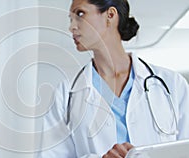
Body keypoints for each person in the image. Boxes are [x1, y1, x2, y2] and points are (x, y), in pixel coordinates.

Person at [39, 0, 189, 157]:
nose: (72, 27)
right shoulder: (66, 94)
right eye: (71, 19)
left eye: (80, 14)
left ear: (110, 15)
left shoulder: (172, 84)